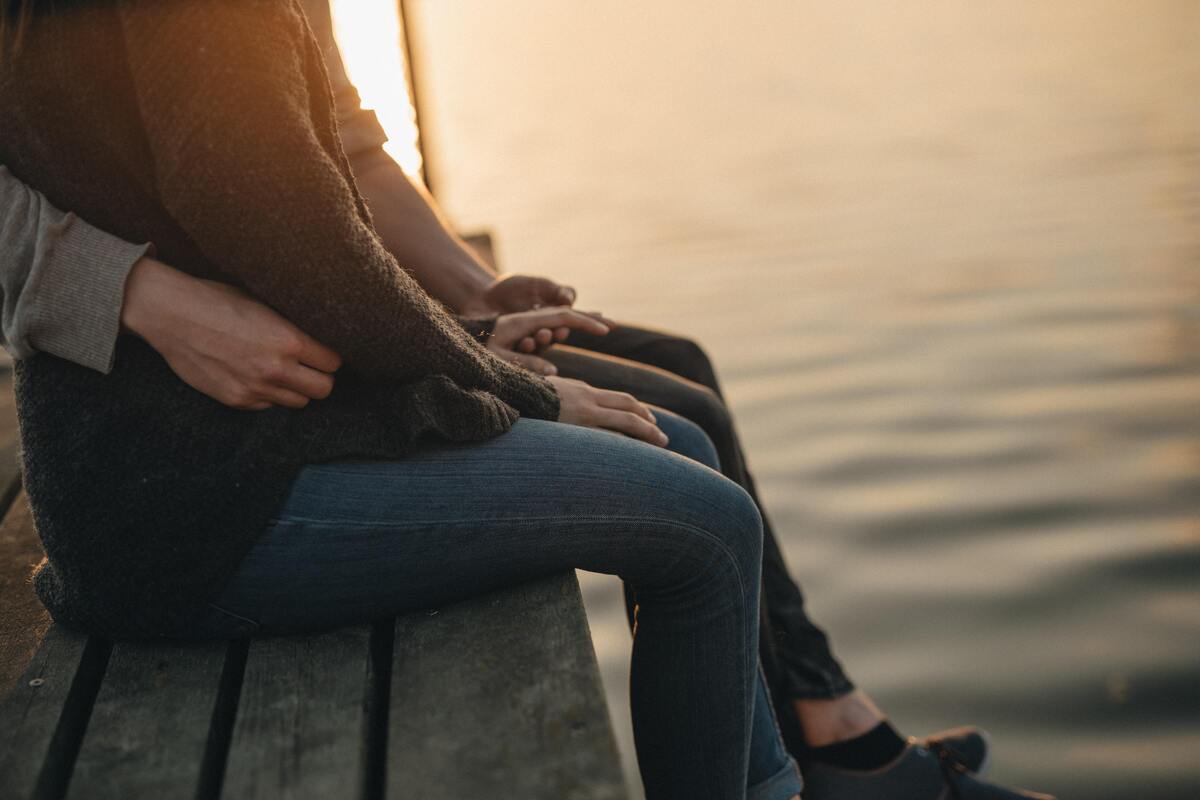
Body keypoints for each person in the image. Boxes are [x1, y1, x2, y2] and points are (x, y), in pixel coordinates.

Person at [0, 2, 1054, 798]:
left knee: (683, 438)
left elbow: (304, 203)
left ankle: (807, 758)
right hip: (183, 502)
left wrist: (471, 330)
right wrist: (512, 386)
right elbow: (281, 226)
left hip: (232, 446)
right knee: (706, 520)